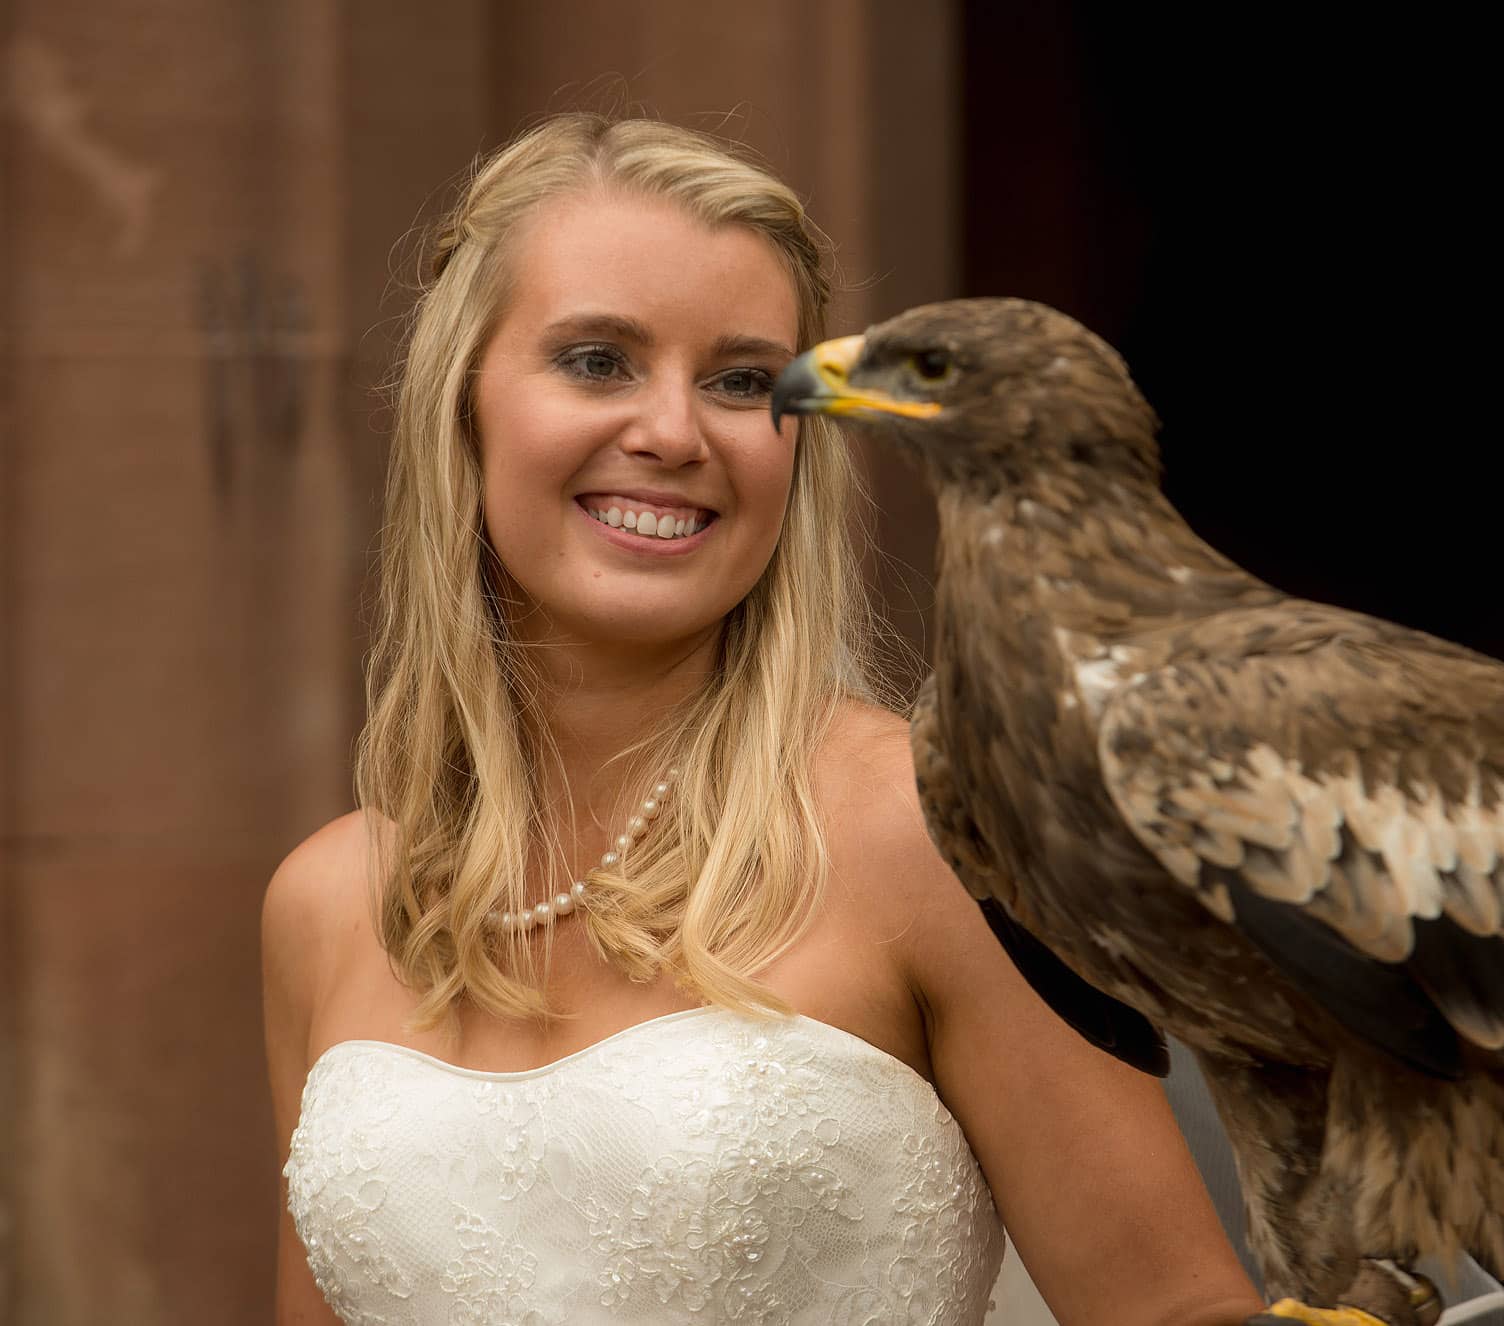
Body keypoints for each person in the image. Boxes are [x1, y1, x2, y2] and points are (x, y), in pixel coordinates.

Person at [261, 112, 1269, 1325]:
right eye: (598, 361)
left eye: (741, 381)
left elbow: (1176, 1310)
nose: (672, 433)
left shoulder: (928, 830)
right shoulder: (325, 903)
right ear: (460, 406)